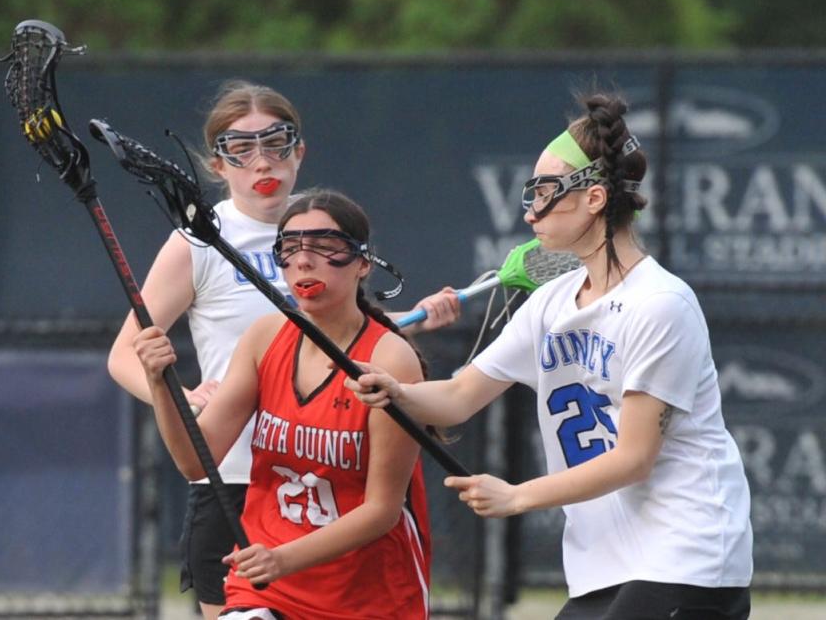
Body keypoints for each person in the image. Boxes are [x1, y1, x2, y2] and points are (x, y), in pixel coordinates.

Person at [347, 91, 753, 619]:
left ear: (594, 199)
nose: (531, 210)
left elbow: (634, 458)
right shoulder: (551, 303)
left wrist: (517, 496)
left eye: (544, 191)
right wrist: (397, 392)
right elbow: (459, 395)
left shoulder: (661, 305)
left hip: (688, 561)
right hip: (603, 566)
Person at [107, 81, 457, 620]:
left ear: (299, 151)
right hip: (240, 475)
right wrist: (179, 394)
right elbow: (126, 354)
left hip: (340, 481)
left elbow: (350, 337)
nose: (261, 161)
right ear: (218, 165)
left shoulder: (323, 223)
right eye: (241, 149)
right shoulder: (201, 240)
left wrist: (404, 334)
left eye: (275, 144)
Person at [133, 189, 433, 619]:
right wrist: (161, 384)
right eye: (289, 248)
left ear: (363, 263)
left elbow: (382, 511)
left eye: (325, 247)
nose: (303, 261)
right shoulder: (265, 337)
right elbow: (197, 462)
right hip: (269, 590)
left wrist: (284, 558)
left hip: (366, 596)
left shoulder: (390, 359)